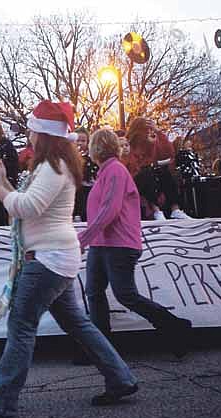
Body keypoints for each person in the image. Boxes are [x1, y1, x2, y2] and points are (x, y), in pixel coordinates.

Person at [0, 101, 137, 418]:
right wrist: (1, 184)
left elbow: (27, 208)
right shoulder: (54, 165)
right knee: (78, 325)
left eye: (31, 129)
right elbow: (27, 203)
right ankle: (121, 378)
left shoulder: (53, 166)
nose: (27, 135)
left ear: (43, 134)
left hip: (48, 260)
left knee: (22, 324)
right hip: (56, 258)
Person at [76, 129, 192, 363]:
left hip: (119, 243)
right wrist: (91, 238)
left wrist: (84, 237)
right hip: (102, 243)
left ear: (96, 148)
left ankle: (175, 327)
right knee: (94, 292)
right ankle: (101, 349)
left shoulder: (116, 171)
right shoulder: (105, 172)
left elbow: (111, 208)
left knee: (125, 294)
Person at [126, 118, 191, 221]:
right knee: (147, 173)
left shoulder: (150, 143)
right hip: (132, 179)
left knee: (164, 172)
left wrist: (157, 132)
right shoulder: (128, 146)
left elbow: (169, 153)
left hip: (149, 176)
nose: (149, 133)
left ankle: (175, 209)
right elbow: (133, 165)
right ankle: (156, 210)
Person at [73, 127, 96, 221]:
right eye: (77, 140)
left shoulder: (91, 158)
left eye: (83, 141)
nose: (80, 143)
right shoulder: (70, 157)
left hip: (87, 190)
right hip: (74, 191)